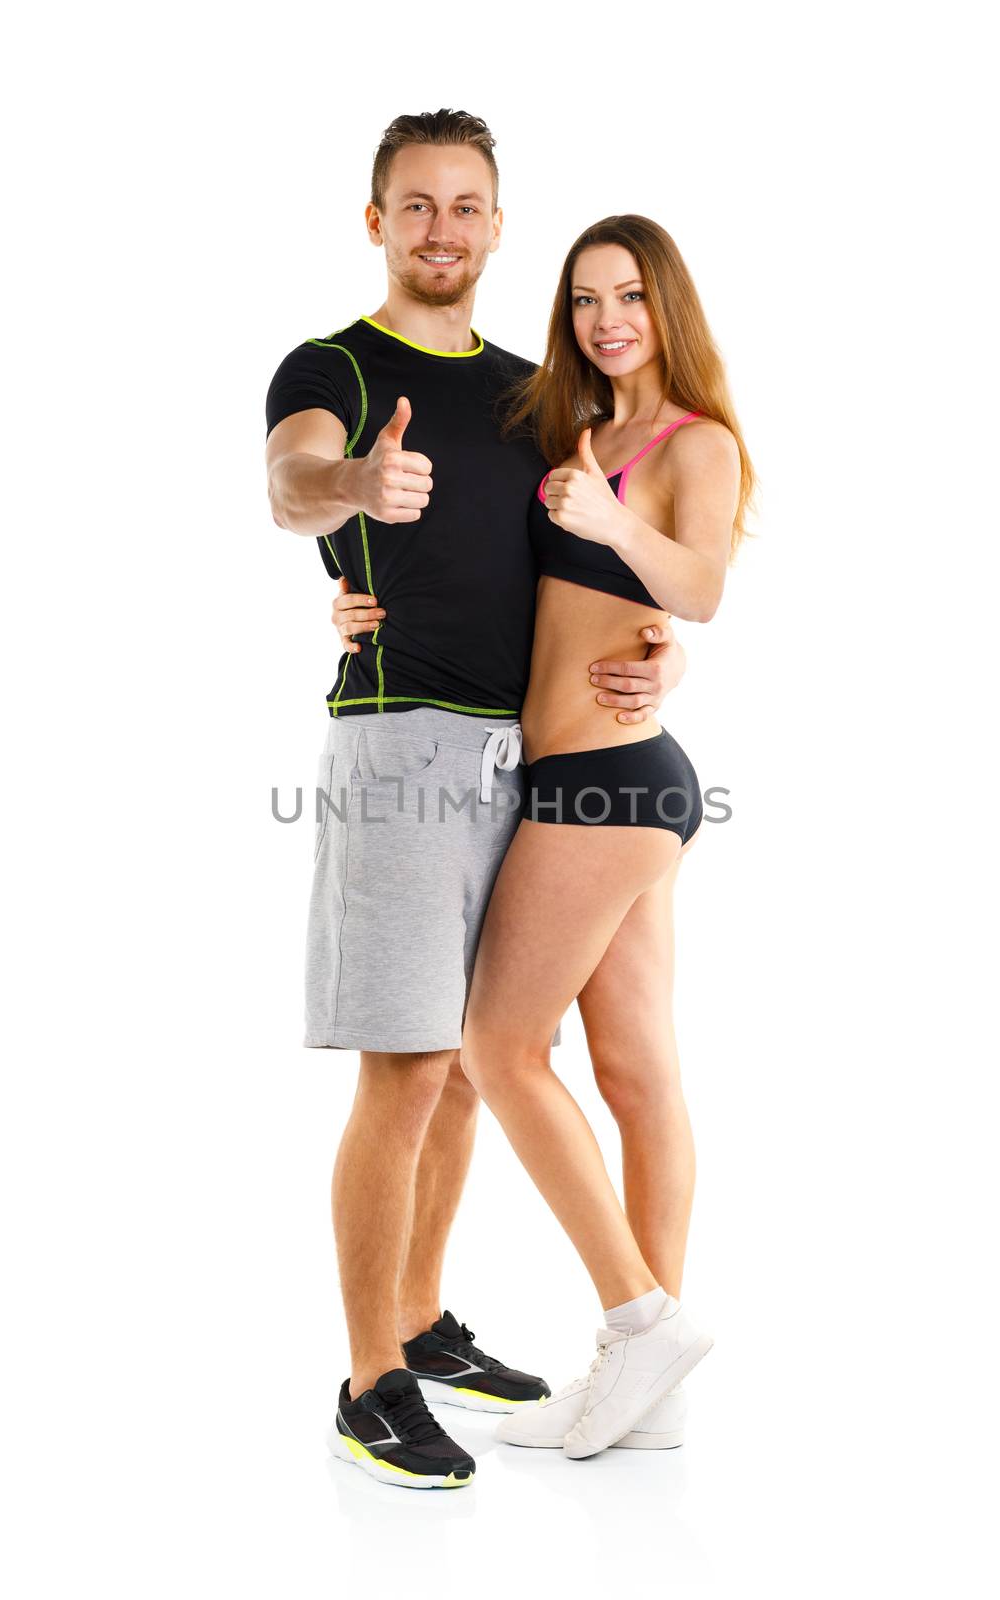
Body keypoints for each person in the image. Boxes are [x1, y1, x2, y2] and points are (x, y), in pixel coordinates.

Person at [265, 112, 686, 1490]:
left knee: (459, 1069)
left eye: (467, 206)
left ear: (497, 226)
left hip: (530, 760)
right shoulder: (333, 365)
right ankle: (367, 1382)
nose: (441, 229)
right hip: (401, 744)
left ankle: (423, 1318)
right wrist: (349, 485)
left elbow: (592, 566)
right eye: (416, 205)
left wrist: (658, 647)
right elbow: (291, 479)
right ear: (376, 221)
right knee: (402, 1066)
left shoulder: (530, 396)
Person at [457, 214, 754, 1459]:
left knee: (495, 1045)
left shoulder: (697, 442)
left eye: (628, 294)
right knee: (633, 1074)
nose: (606, 318)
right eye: (584, 298)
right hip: (596, 778)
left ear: (665, 304)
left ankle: (638, 1319)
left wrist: (613, 524)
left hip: (609, 782)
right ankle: (655, 1392)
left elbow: (698, 589)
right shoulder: (568, 430)